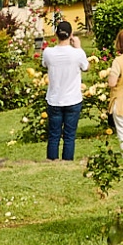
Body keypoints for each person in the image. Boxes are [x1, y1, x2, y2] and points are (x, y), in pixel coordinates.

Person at [41, 20, 89, 161]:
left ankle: (52, 160)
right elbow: (86, 67)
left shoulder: (48, 52)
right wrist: (78, 47)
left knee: (54, 134)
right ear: (71, 35)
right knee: (69, 135)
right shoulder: (77, 53)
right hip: (73, 99)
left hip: (55, 99)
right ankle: (67, 161)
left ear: (56, 35)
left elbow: (44, 64)